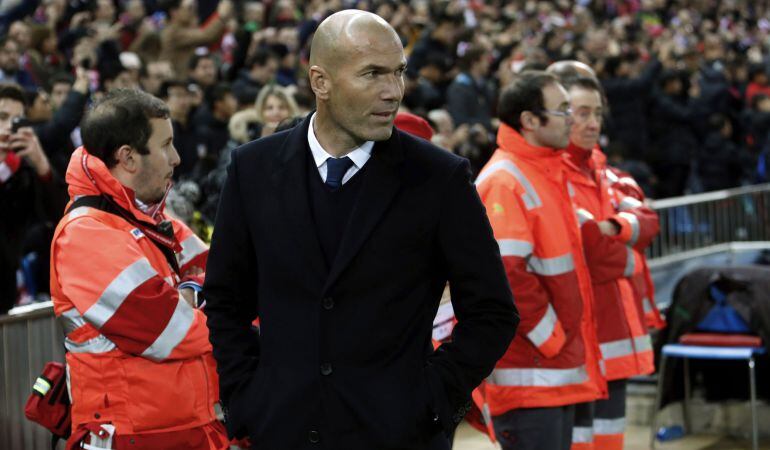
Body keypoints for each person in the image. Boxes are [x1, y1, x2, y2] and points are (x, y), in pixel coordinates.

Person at [203, 10, 518, 449]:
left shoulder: (439, 177)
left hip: (400, 436)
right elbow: (224, 301)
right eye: (372, 74)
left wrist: (435, 401)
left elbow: (493, 312)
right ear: (321, 82)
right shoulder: (252, 168)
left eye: (398, 73)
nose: (393, 92)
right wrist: (247, 398)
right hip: (283, 431)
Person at [49, 89, 227, 449]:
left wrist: (191, 296)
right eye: (166, 145)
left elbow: (233, 281)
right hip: (134, 437)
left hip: (188, 429)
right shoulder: (86, 233)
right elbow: (170, 332)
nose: (176, 158)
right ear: (128, 158)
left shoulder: (154, 223)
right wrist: (207, 303)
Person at [474, 71, 606, 450]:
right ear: (530, 121)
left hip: (555, 370)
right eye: (563, 109)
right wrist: (552, 338)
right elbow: (507, 276)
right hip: (531, 373)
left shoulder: (547, 171)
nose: (572, 118)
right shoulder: (505, 179)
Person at [561, 75, 659, 450]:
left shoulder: (611, 175)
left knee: (609, 436)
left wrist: (612, 227)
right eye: (582, 113)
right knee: (580, 437)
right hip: (581, 330)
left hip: (616, 328)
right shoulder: (555, 178)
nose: (593, 123)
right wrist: (626, 241)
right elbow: (596, 251)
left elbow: (650, 224)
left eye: (597, 113)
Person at [0, 82, 65, 311]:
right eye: (2, 116)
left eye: (16, 120)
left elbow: (61, 220)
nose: (8, 127)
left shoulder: (24, 172)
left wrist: (42, 166)